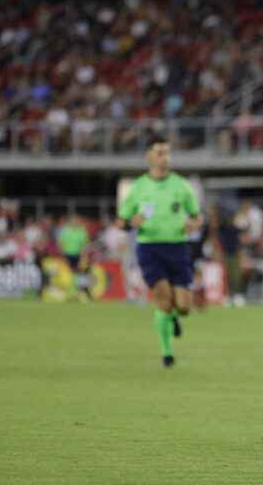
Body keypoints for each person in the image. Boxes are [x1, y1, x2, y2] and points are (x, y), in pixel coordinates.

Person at [116, 137, 202, 367]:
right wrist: (130, 223)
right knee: (163, 299)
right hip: (150, 248)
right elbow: (121, 222)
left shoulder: (182, 186)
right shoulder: (137, 188)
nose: (165, 157)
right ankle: (167, 354)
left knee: (183, 306)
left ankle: (174, 318)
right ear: (150, 157)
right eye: (160, 153)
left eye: (167, 153)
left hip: (177, 247)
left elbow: (196, 215)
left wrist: (194, 224)